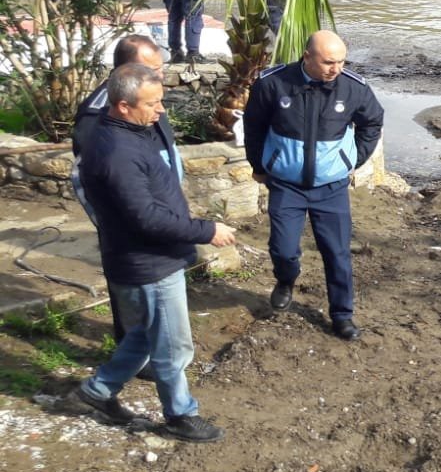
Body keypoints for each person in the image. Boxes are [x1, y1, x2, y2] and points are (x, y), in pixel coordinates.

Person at [73, 63, 235, 443]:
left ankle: (97, 391)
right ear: (123, 106)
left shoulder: (129, 132)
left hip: (142, 259)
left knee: (145, 336)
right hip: (148, 264)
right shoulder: (117, 153)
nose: (160, 110)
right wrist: (206, 230)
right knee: (173, 346)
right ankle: (180, 415)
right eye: (152, 104)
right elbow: (145, 218)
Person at [243, 31, 384, 341]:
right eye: (328, 62)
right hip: (286, 185)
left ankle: (342, 315)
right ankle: (285, 279)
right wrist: (259, 166)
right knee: (282, 248)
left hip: (330, 188)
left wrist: (352, 160)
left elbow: (372, 122)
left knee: (336, 253)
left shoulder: (353, 88)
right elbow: (253, 125)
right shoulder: (273, 83)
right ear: (307, 57)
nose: (336, 68)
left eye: (341, 61)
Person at [72, 35, 182, 362]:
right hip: (129, 220)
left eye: (160, 68)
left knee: (157, 290)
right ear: (125, 70)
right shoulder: (96, 118)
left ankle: (153, 349)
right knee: (131, 290)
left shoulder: (147, 95)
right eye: (151, 69)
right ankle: (133, 355)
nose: (158, 76)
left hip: (157, 211)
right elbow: (93, 182)